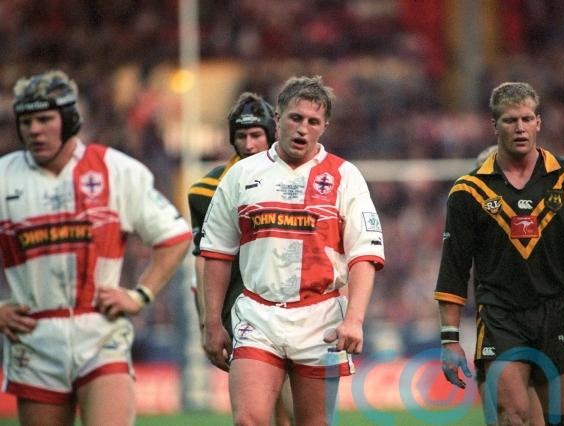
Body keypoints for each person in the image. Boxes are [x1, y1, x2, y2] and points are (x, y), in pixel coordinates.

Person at [0, 70, 191, 426]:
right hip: (34, 337)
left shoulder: (115, 169)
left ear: (70, 119)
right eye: (26, 122)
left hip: (101, 331)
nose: (34, 130)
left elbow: (175, 236)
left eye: (45, 119)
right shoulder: (3, 177)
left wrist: (140, 295)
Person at [199, 75, 385, 425]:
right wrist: (211, 323)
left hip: (320, 318)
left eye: (313, 121)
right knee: (248, 420)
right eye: (295, 118)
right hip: (258, 314)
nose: (303, 128)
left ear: (325, 127)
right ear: (278, 118)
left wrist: (355, 319)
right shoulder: (242, 175)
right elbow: (216, 252)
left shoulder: (345, 176)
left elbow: (365, 254)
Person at [435, 82, 564, 425]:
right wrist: (449, 340)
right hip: (501, 317)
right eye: (510, 120)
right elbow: (453, 270)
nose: (520, 127)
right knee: (512, 416)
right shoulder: (468, 191)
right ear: (494, 125)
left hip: (560, 314)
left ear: (538, 123)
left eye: (526, 118)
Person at [187, 92, 293, 426]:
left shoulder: (294, 180)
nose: (249, 144)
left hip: (293, 307)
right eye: (241, 136)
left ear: (271, 134)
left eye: (256, 135)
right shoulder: (205, 190)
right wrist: (208, 323)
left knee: (294, 414)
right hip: (240, 311)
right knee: (256, 414)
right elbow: (204, 259)